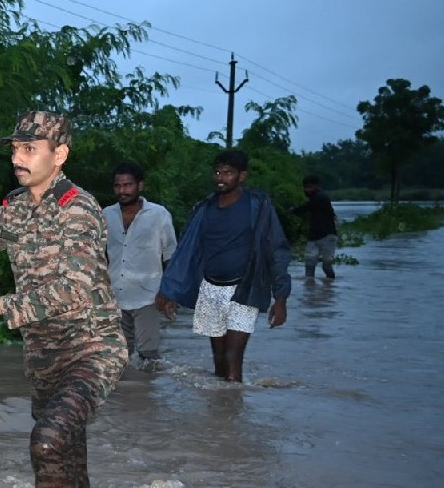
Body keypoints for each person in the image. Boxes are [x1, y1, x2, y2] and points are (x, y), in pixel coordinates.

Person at [0, 111, 127, 488]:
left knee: (47, 440)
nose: (18, 158)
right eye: (16, 149)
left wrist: (2, 306)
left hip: (91, 349)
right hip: (43, 356)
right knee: (66, 449)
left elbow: (74, 289)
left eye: (29, 149)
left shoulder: (78, 210)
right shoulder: (15, 209)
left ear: (60, 154)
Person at [155, 149, 291, 383]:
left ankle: (234, 401)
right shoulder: (203, 208)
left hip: (244, 290)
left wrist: (280, 298)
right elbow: (186, 252)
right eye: (217, 172)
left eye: (227, 173)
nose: (220, 178)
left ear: (242, 176)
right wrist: (169, 291)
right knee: (218, 361)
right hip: (210, 289)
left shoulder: (258, 206)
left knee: (233, 357)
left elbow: (276, 249)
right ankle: (221, 405)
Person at [104, 161, 178, 371]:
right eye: (118, 186)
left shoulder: (159, 215)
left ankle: (147, 391)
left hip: (148, 296)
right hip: (114, 296)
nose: (122, 191)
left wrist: (169, 293)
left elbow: (171, 255)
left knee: (149, 358)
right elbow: (100, 254)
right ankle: (124, 393)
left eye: (127, 185)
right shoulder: (106, 214)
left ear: (140, 186)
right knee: (118, 358)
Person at [291, 174, 339, 279]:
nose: (307, 190)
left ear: (317, 186)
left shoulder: (321, 197)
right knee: (309, 261)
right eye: (306, 187)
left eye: (310, 187)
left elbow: (305, 207)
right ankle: (310, 285)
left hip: (327, 235)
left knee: (327, 263)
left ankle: (329, 283)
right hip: (314, 236)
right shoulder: (316, 198)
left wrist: (292, 211)